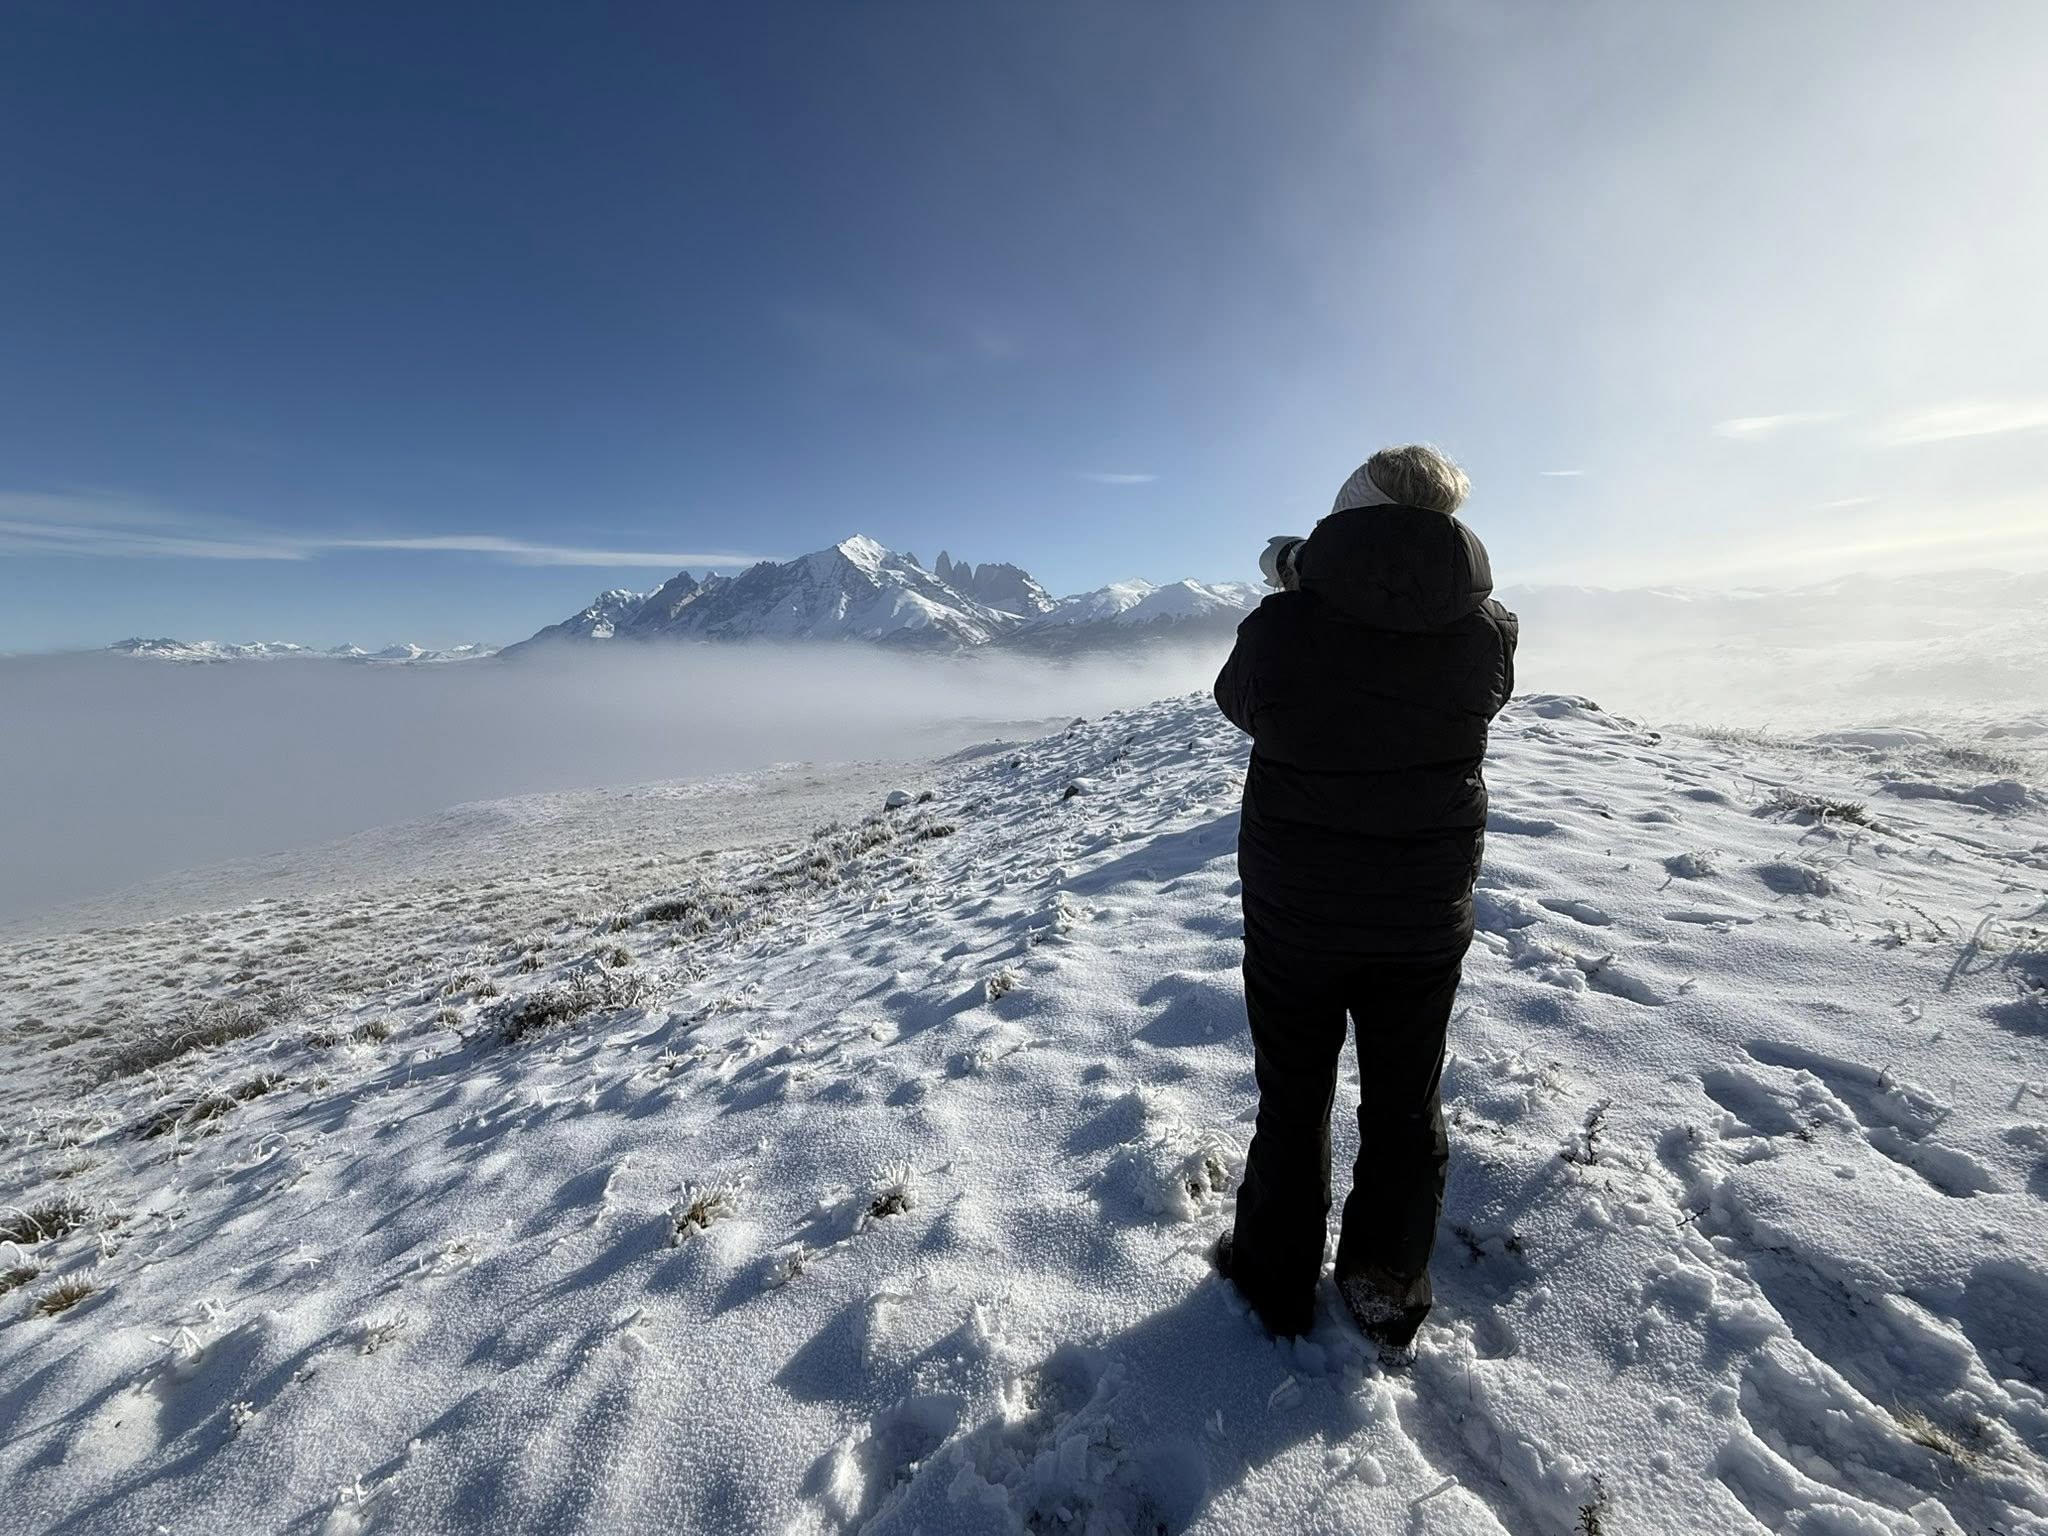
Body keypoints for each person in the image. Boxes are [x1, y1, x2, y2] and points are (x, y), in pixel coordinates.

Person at [1212, 444, 1518, 1349]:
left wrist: (1303, 585)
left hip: (1295, 910)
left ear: (1345, 518)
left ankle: (1274, 1278)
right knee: (1404, 1098)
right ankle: (1386, 1281)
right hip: (1423, 913)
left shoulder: (1282, 628)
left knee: (1293, 1093)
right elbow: (1434, 642)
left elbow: (1242, 704)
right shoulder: (1487, 632)